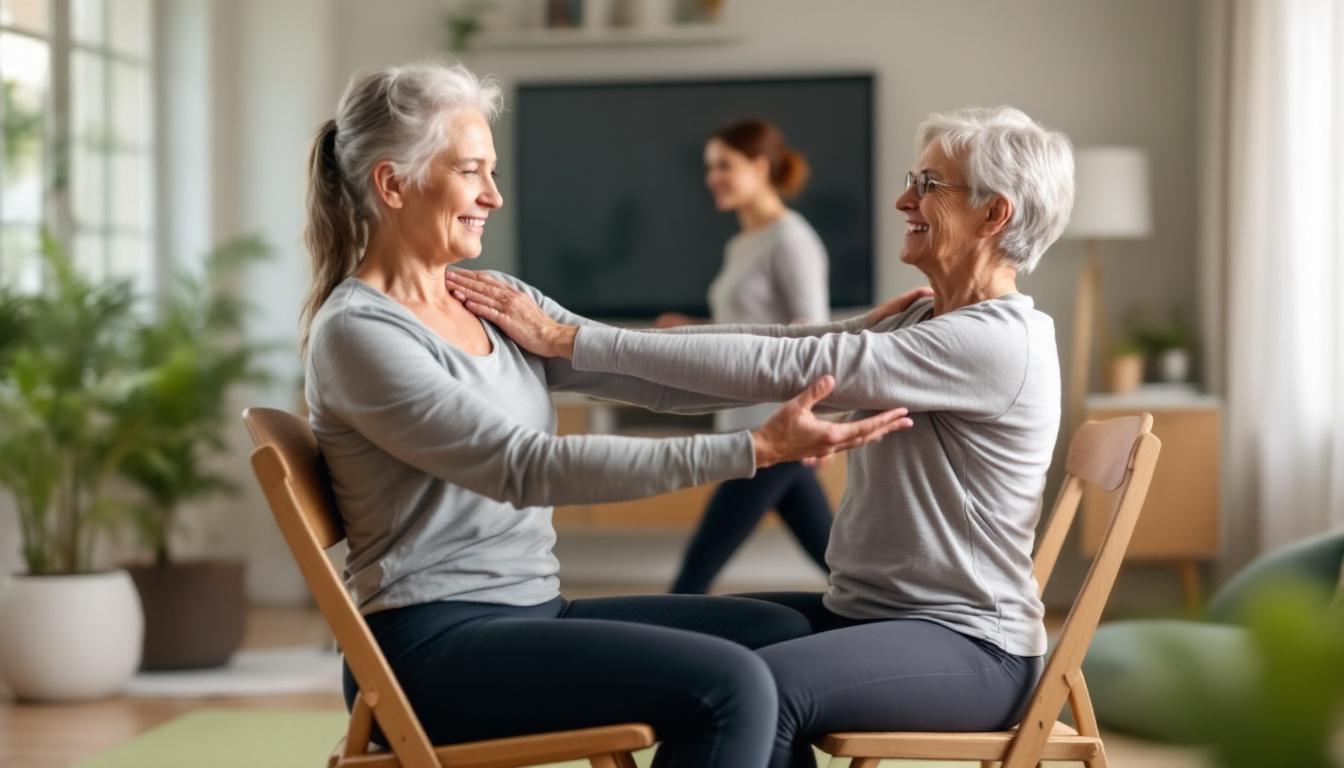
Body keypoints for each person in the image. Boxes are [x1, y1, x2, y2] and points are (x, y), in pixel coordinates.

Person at [301, 62, 918, 768]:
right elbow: (523, 467)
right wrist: (754, 448)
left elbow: (652, 366)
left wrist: (847, 334)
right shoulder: (360, 332)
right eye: (471, 172)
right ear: (392, 183)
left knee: (779, 638)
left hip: (530, 613)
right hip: (428, 652)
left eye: (492, 171)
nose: (494, 196)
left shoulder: (490, 298)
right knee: (732, 686)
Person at [447, 104, 1075, 768]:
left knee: (751, 693)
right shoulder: (926, 319)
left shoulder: (995, 341)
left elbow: (783, 363)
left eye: (929, 184)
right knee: (701, 666)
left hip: (972, 646)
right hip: (873, 615)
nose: (904, 200)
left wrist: (570, 338)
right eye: (911, 180)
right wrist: (555, 356)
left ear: (993, 213)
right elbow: (762, 353)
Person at [653, 118, 834, 595]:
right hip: (746, 421)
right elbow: (752, 327)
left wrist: (813, 422)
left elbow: (813, 336)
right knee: (838, 561)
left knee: (693, 577)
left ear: (759, 166)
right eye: (709, 167)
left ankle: (665, 633)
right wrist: (693, 329)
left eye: (724, 166)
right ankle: (896, 611)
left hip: (771, 426)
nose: (712, 177)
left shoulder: (791, 238)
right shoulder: (741, 243)